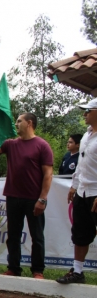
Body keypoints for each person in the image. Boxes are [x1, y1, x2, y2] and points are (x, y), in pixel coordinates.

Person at [0, 111, 53, 279]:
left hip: (34, 199)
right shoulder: (10, 144)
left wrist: (42, 199)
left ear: (29, 123)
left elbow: (48, 174)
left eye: (19, 121)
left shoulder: (42, 145)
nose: (16, 123)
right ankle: (13, 268)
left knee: (37, 236)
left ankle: (38, 270)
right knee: (13, 235)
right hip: (13, 197)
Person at [57, 99, 97, 284]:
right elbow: (81, 165)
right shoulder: (87, 136)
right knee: (80, 233)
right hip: (83, 191)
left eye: (88, 110)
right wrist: (74, 185)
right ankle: (78, 272)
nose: (84, 114)